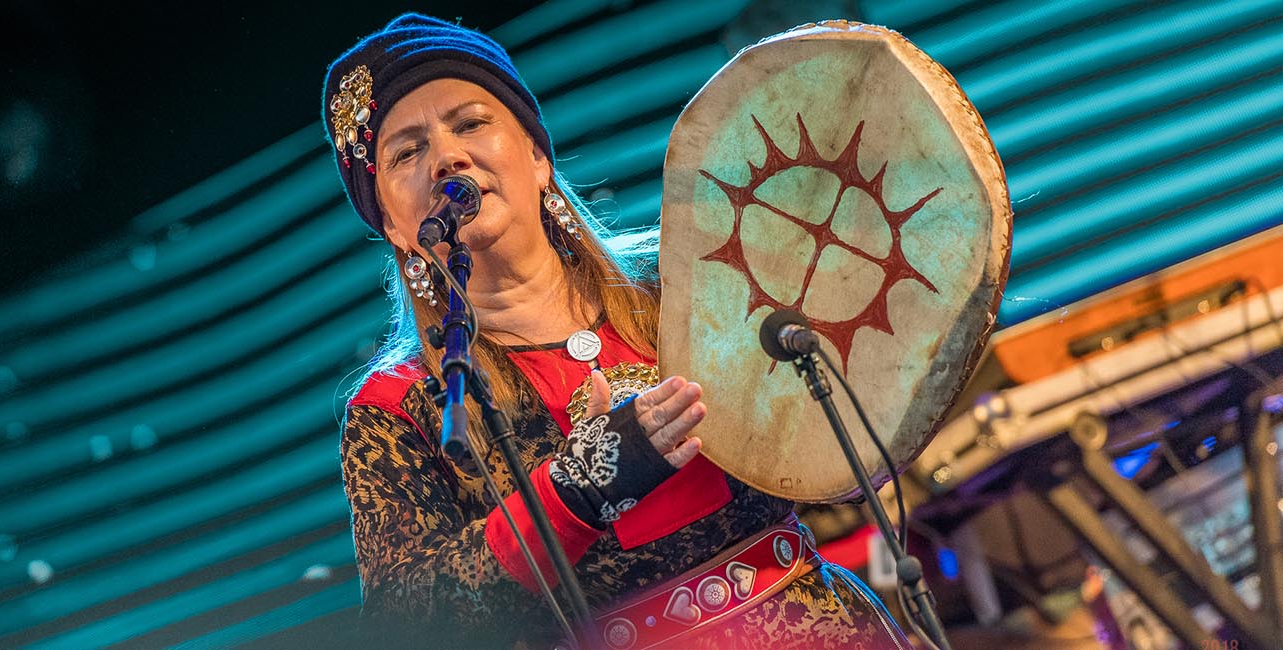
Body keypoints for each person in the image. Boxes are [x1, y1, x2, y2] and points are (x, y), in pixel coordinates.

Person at [325, 13, 914, 650]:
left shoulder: (686, 282)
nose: (446, 157)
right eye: (405, 152)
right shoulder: (396, 409)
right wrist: (579, 484)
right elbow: (413, 626)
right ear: (391, 221)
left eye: (470, 123)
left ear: (536, 157)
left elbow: (846, 440)